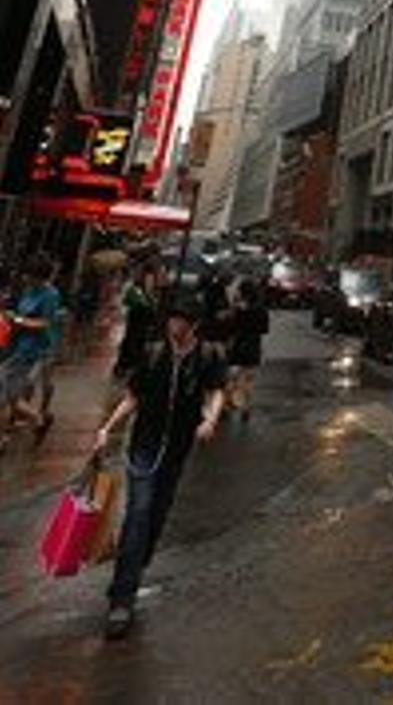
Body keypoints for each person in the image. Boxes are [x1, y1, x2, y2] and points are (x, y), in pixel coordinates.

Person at [95, 291, 226, 640]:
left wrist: (210, 419)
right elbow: (133, 396)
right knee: (138, 512)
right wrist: (107, 428)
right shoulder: (153, 352)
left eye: (182, 321)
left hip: (178, 449)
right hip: (143, 446)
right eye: (172, 319)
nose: (175, 326)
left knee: (156, 515)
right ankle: (122, 599)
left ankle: (133, 568)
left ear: (194, 324)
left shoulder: (208, 355)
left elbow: (216, 391)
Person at [0, 255, 62, 447]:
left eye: (30, 275)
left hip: (31, 350)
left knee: (5, 394)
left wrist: (18, 320)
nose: (26, 278)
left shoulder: (50, 295)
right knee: (11, 396)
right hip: (16, 346)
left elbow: (45, 323)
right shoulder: (29, 290)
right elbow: (21, 312)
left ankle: (4, 438)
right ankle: (38, 420)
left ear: (39, 277)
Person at [225, 278, 269, 421]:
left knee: (232, 376)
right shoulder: (261, 309)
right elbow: (265, 329)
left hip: (238, 345)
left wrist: (234, 308)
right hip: (253, 346)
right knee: (248, 379)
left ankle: (230, 401)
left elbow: (231, 327)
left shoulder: (238, 309)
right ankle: (246, 407)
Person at [114, 259, 160, 381]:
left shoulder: (151, 293)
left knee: (138, 346)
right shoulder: (135, 289)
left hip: (143, 327)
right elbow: (128, 302)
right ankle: (123, 369)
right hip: (135, 324)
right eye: (149, 278)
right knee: (131, 344)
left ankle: (130, 370)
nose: (150, 281)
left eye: (152, 279)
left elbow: (152, 309)